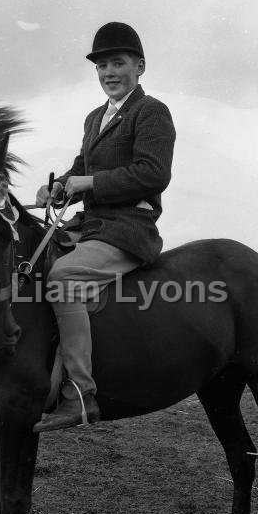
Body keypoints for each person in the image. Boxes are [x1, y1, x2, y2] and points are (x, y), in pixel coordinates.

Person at [33, 22, 176, 433]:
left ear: (140, 67)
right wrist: (59, 186)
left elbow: (153, 173)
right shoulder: (95, 117)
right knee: (31, 261)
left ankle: (80, 395)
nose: (109, 72)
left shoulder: (151, 111)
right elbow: (83, 169)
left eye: (118, 63)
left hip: (129, 226)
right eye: (102, 66)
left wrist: (89, 184)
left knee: (63, 276)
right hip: (92, 222)